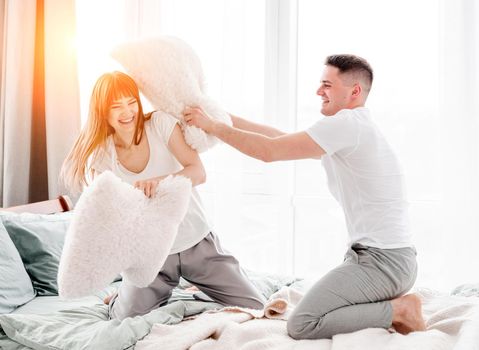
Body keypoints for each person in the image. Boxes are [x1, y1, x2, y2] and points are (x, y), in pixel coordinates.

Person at [183, 54, 426, 339]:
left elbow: (268, 151)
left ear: (354, 91)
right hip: (391, 261)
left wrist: (214, 127)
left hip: (383, 264)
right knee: (318, 310)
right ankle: (393, 307)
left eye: (327, 85)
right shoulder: (354, 126)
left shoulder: (347, 124)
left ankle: (400, 311)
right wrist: (220, 117)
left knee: (302, 324)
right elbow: (278, 139)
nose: (318, 92)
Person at [60, 71, 265, 320]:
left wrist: (159, 184)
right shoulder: (103, 154)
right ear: (103, 111)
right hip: (151, 255)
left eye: (131, 102)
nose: (127, 112)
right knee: (123, 318)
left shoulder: (159, 123)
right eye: (116, 107)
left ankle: (197, 287)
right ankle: (120, 296)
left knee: (256, 306)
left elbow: (198, 172)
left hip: (196, 241)